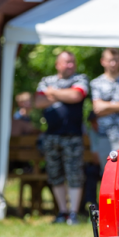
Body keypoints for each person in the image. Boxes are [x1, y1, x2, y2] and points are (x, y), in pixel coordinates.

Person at [35, 51, 89, 225]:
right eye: (66, 62)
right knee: (55, 174)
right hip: (51, 136)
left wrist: (52, 93)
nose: (70, 65)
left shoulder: (80, 79)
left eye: (72, 62)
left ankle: (73, 213)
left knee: (74, 175)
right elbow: (38, 102)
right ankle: (62, 212)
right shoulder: (46, 80)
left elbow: (76, 96)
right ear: (58, 64)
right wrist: (64, 95)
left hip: (73, 136)